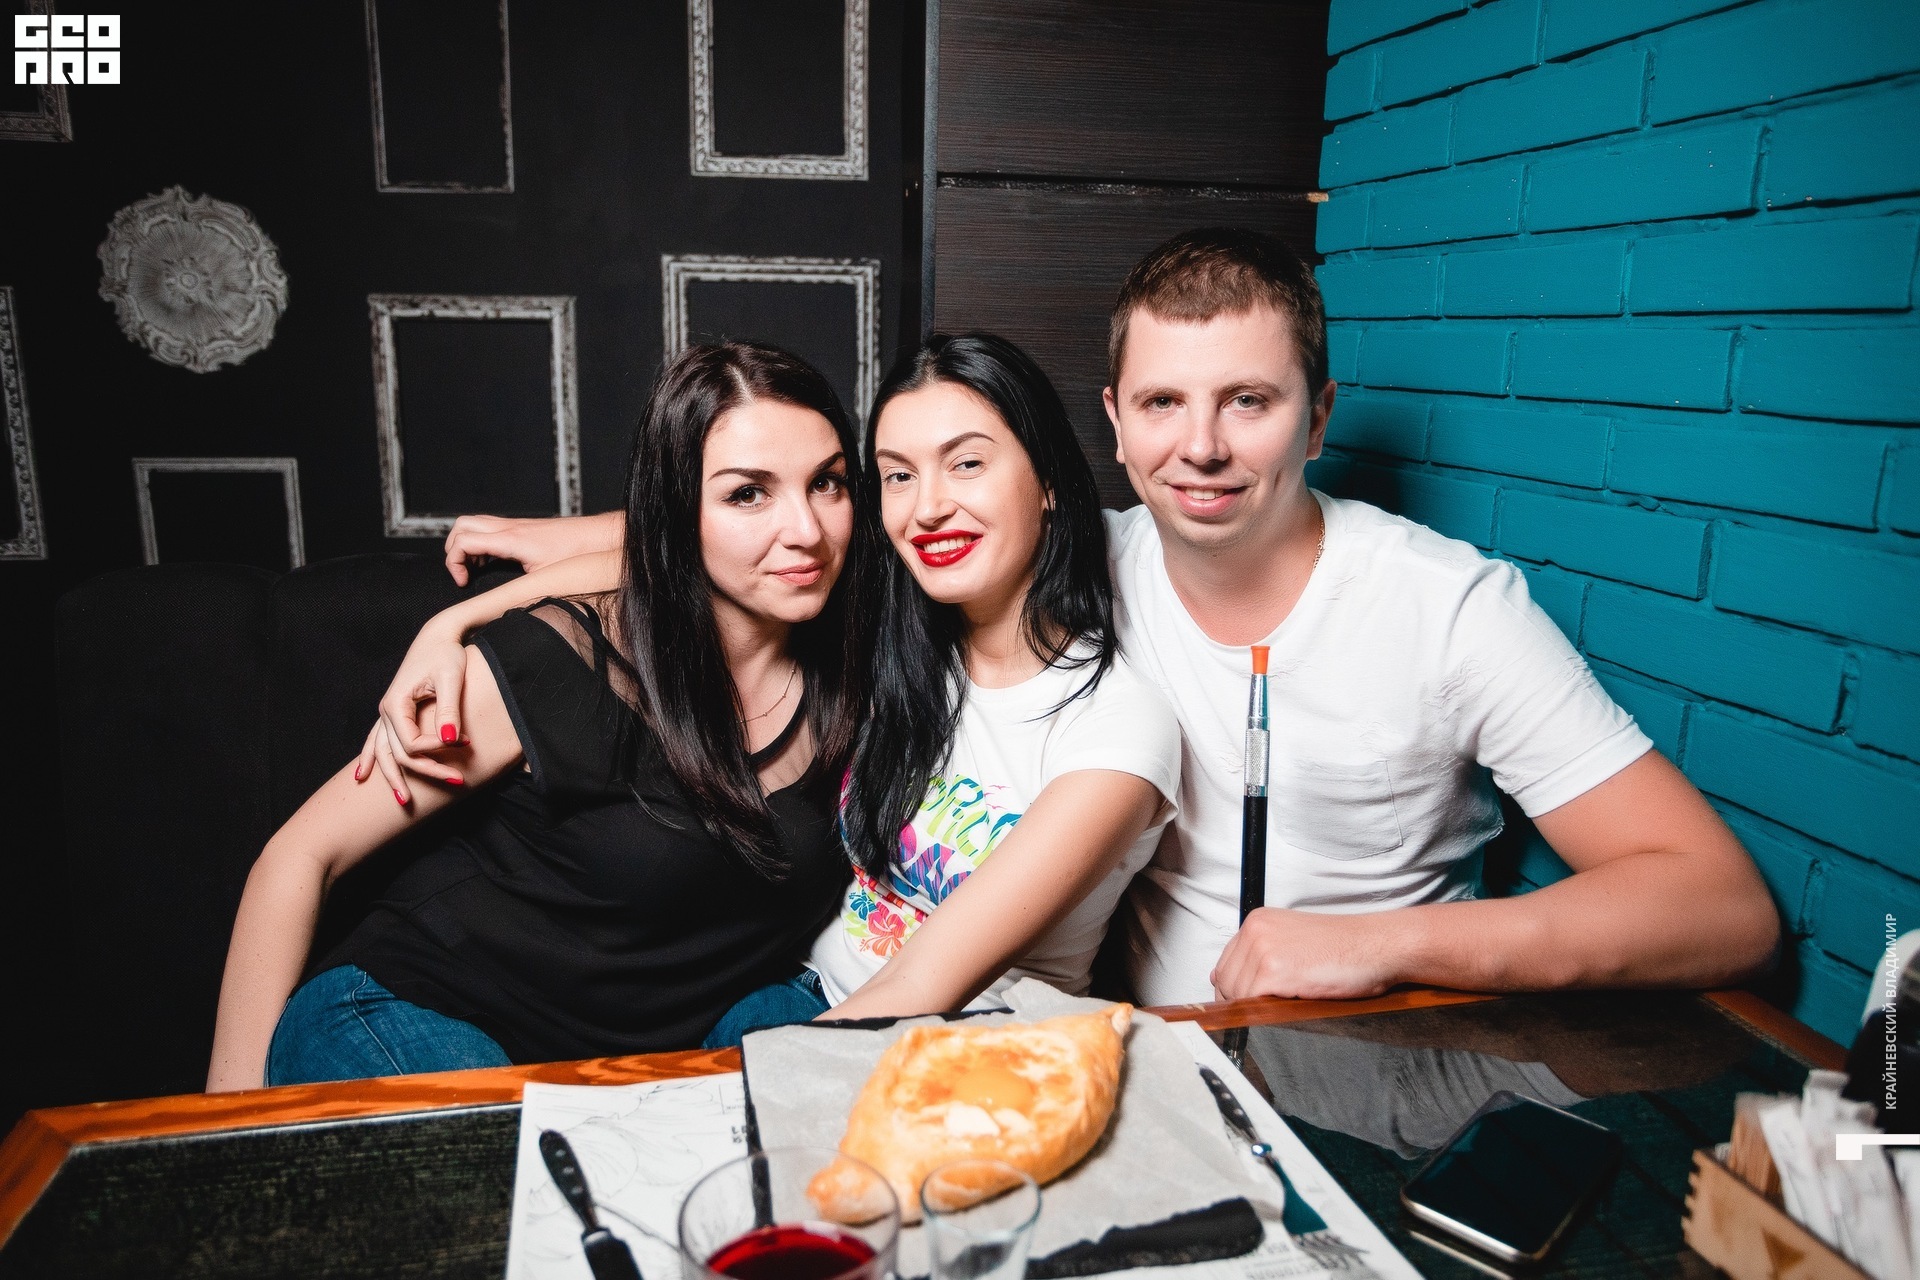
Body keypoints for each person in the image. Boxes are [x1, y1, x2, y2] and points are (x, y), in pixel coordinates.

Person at [364, 230, 1780, 1012]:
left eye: (1250, 402)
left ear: (1319, 416)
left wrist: (1388, 944)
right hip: (1118, 1052)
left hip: (1373, 1049)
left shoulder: (1449, 607)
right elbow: (783, 534)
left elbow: (1716, 905)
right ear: (1107, 426)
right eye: (1163, 403)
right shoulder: (1084, 554)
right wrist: (510, 593)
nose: (1202, 448)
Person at [362, 334, 1181, 1034]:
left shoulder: (1118, 724)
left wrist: (767, 1091)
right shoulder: (895, 631)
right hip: (782, 999)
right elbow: (692, 545)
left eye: (966, 463)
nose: (928, 507)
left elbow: (921, 985)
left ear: (1046, 479)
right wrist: (456, 622)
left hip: (953, 1048)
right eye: (896, 476)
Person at [205, 342, 867, 1090]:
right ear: (678, 509)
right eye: (748, 493)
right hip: (412, 1014)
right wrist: (221, 1127)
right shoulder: (561, 661)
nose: (806, 529)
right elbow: (300, 856)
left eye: (827, 483)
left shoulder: (865, 654)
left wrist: (562, 539)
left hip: (630, 1073)